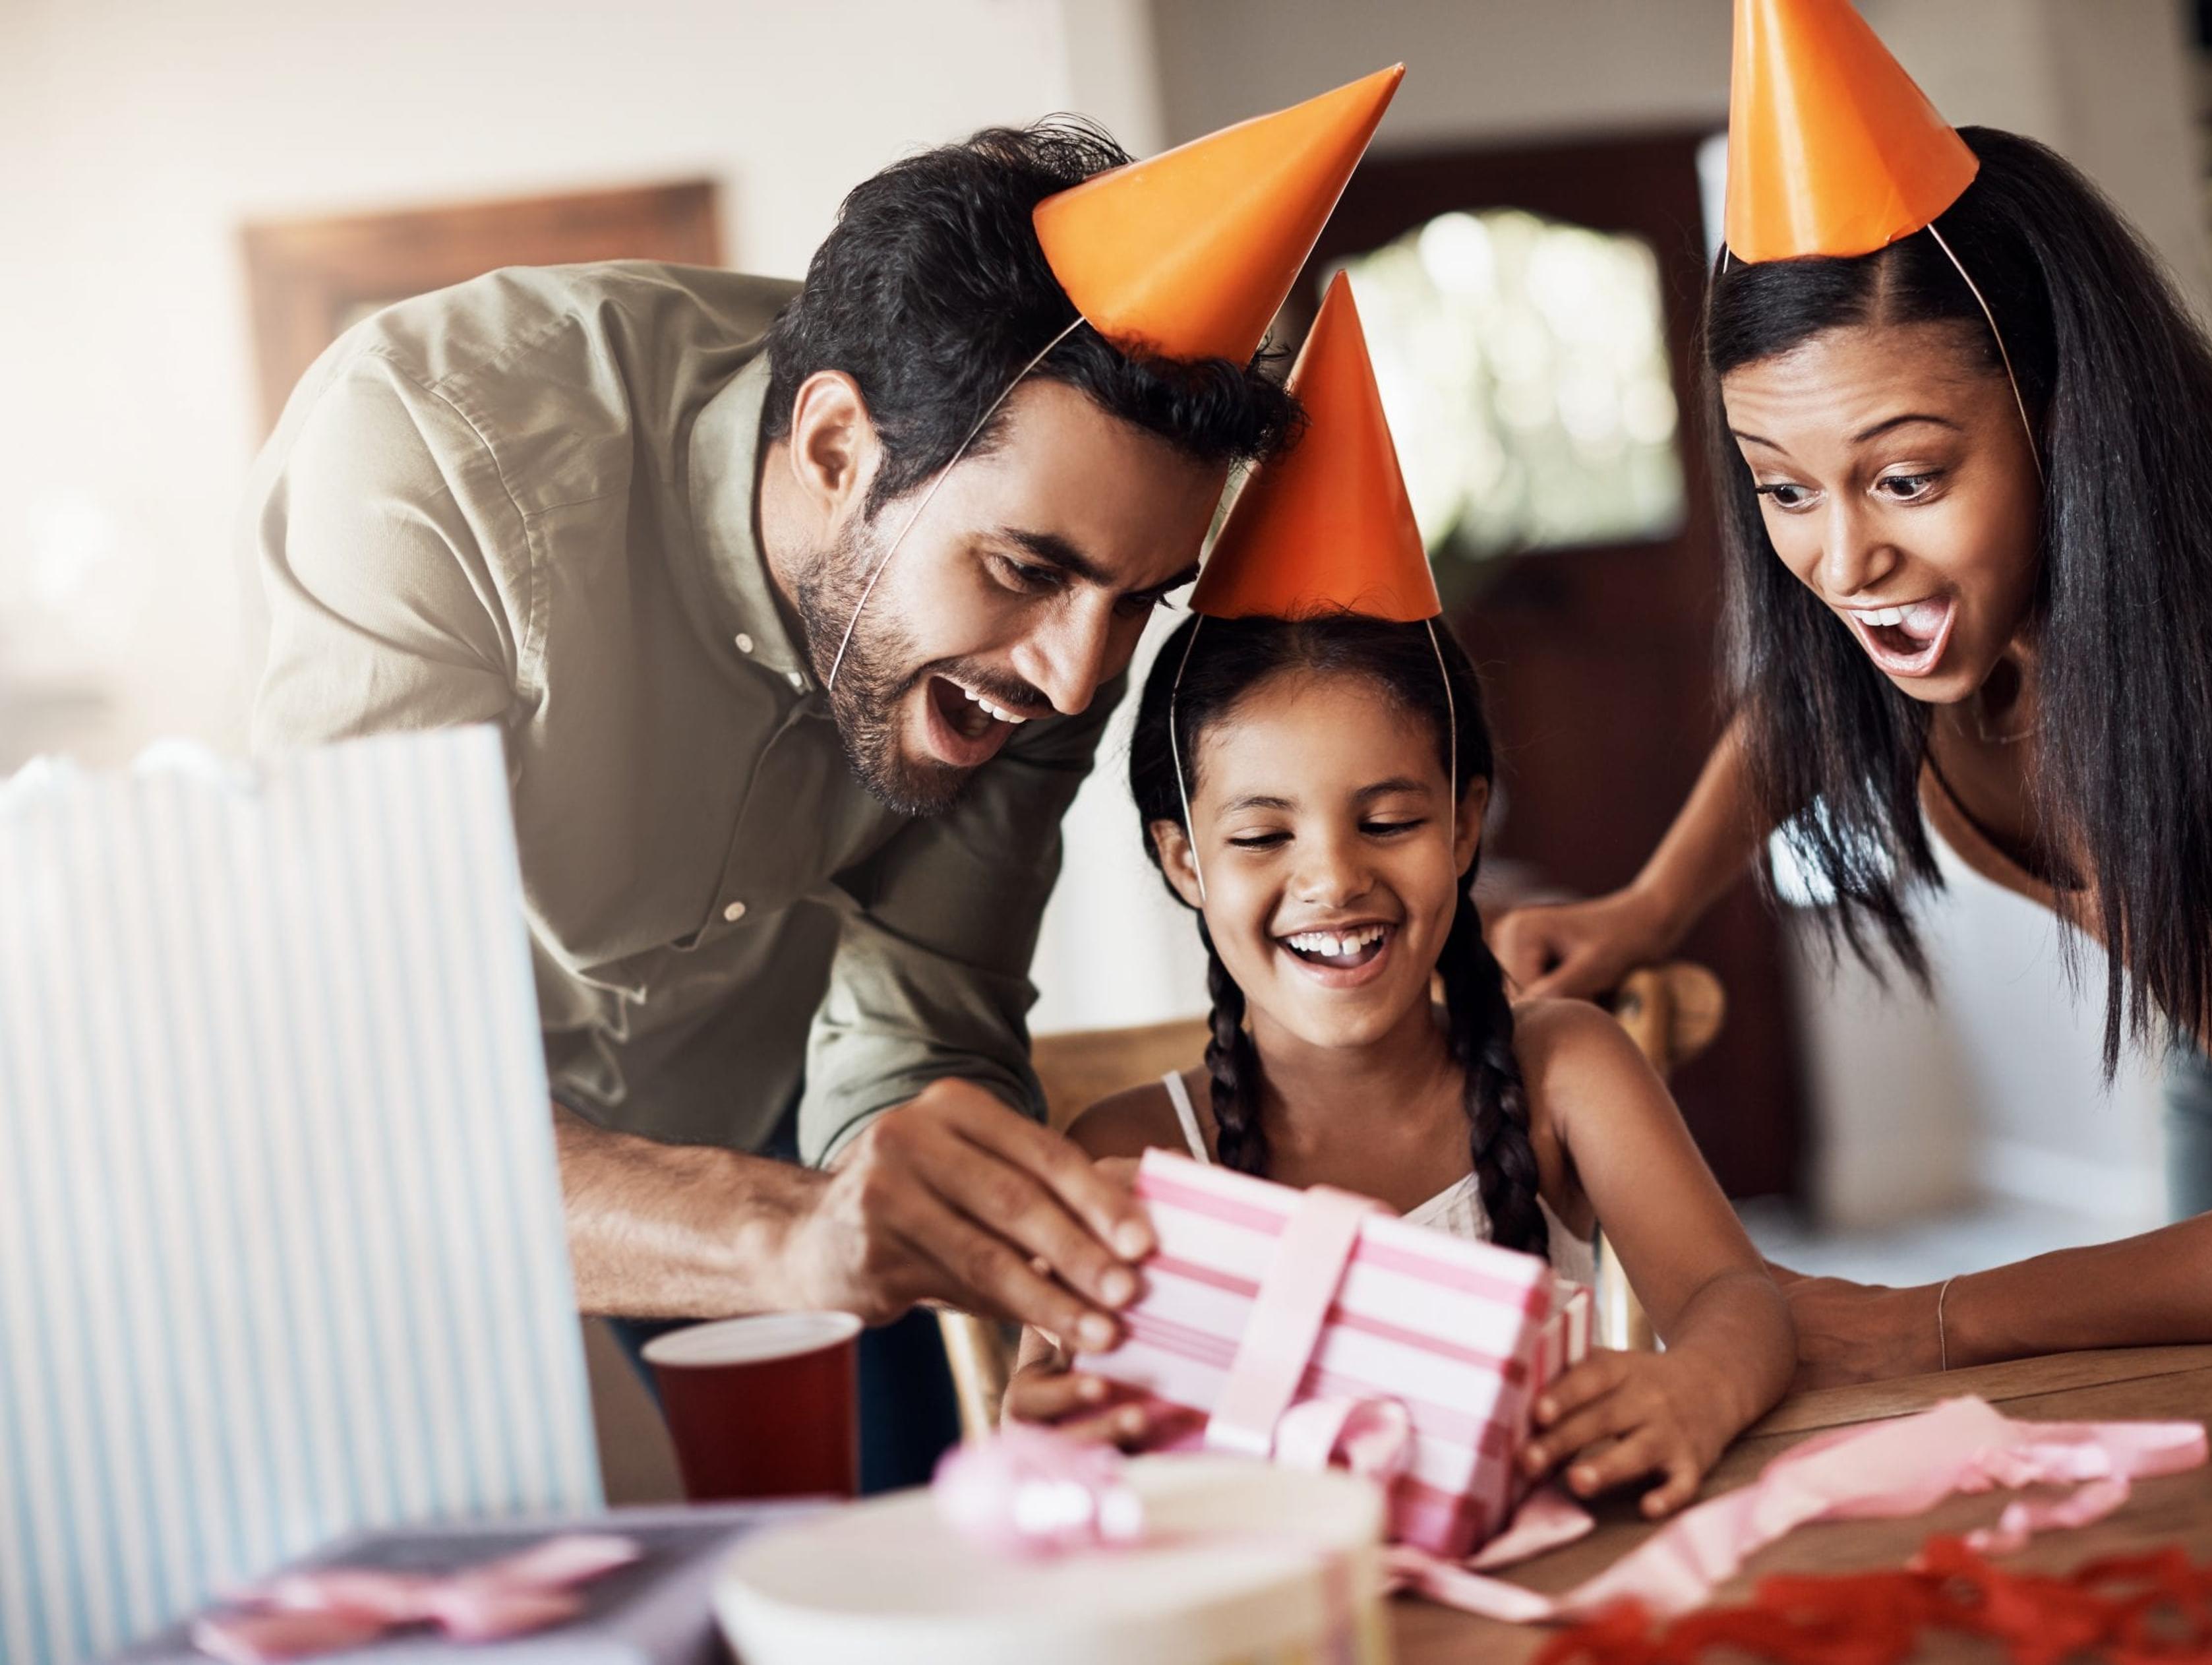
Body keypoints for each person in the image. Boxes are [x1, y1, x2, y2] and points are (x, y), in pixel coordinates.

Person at [244, 69, 1403, 1483]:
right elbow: (382, 1108)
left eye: (1136, 601)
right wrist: (788, 1232)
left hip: (766, 1103)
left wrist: (926, 1188)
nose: (1073, 682)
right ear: (838, 446)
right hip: (393, 1182)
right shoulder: (434, 452)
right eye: (1026, 571)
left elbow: (930, 994)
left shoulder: (1046, 631)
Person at [1492, 0, 2212, 1388]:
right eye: (1785, 488)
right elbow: (1801, 720)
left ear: (2066, 415)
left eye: (1908, 477)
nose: (1846, 560)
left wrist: (1937, 1315)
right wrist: (1650, 905)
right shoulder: (1926, 617)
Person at [1005, 278, 1793, 1516]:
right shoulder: (1130, 1155)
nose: (1333, 877)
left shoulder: (1567, 1071)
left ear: (1467, 820)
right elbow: (1061, 1445)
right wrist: (1048, 1437)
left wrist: (1693, 1386)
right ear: (1183, 859)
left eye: (1390, 819)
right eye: (1262, 833)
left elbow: (1736, 1299)